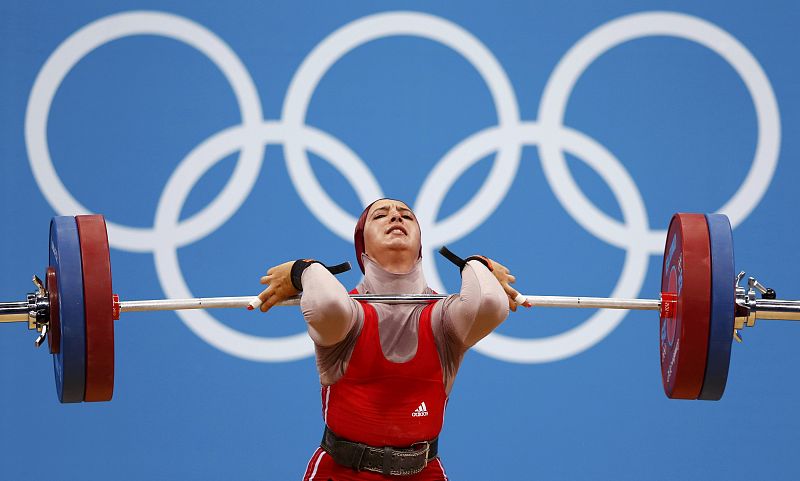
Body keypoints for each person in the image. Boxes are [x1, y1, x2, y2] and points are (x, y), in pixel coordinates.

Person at [256, 198, 528, 480]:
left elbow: (489, 304)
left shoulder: (444, 318)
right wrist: (305, 270)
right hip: (340, 472)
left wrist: (475, 263)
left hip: (424, 472)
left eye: (406, 216)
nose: (396, 218)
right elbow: (326, 305)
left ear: (421, 243)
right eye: (381, 215)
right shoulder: (350, 313)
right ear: (362, 247)